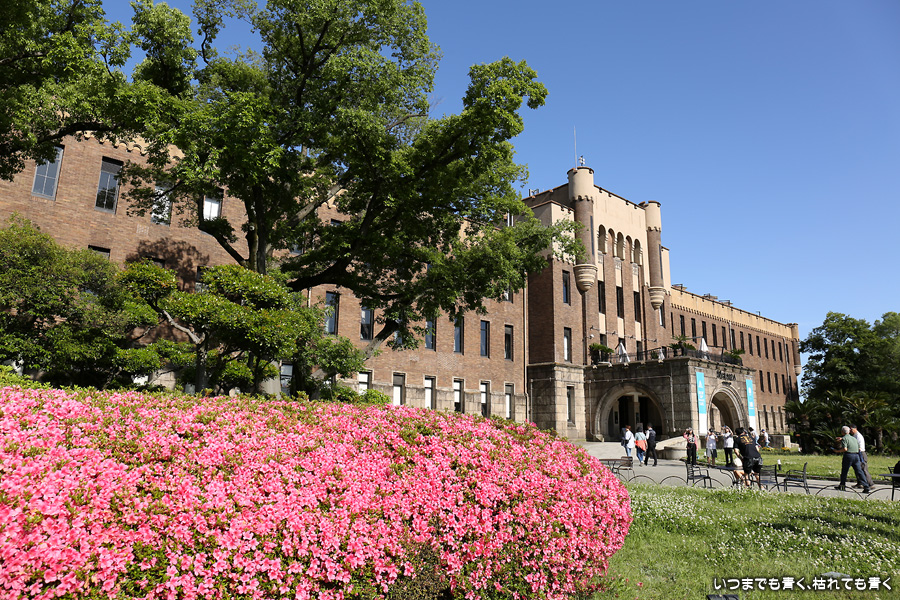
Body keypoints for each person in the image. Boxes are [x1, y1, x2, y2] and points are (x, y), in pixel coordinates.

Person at [834, 425, 869, 493]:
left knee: (844, 471)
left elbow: (845, 449)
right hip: (856, 455)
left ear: (842, 432)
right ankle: (866, 486)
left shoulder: (844, 439)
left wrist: (837, 451)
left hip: (848, 455)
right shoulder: (854, 438)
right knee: (859, 471)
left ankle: (842, 485)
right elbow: (858, 447)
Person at [850, 424, 874, 488]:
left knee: (863, 469)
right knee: (857, 469)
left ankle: (870, 484)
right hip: (856, 453)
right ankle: (860, 483)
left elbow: (859, 447)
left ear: (855, 428)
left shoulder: (858, 436)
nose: (850, 431)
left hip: (861, 453)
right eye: (850, 430)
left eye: (852, 429)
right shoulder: (854, 436)